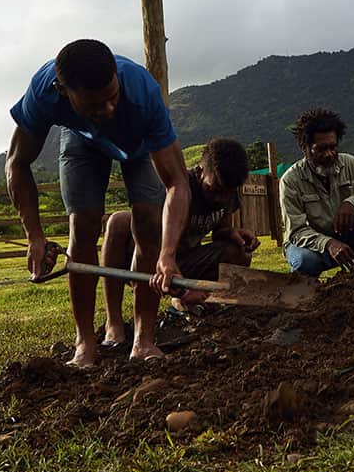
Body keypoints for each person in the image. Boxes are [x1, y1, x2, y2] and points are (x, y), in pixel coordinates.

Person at [6, 39, 190, 367]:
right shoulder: (43, 91)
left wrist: (168, 252)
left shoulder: (142, 92)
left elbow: (177, 181)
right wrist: (34, 236)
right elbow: (16, 163)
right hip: (82, 141)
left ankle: (144, 340)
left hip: (139, 146)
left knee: (148, 222)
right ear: (63, 91)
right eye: (95, 104)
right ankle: (86, 344)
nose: (107, 109)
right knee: (83, 226)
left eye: (112, 97)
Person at [99, 138, 259, 341]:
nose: (219, 198)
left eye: (226, 193)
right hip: (152, 262)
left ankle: (201, 301)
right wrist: (181, 289)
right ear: (200, 172)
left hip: (188, 261)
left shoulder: (227, 194)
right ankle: (113, 323)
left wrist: (231, 233)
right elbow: (150, 239)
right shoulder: (179, 188)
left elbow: (220, 230)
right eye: (214, 189)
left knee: (239, 251)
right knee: (118, 221)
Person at [279, 108, 354, 276]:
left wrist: (352, 203)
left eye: (333, 147)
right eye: (321, 149)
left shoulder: (350, 164)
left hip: (347, 237)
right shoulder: (291, 180)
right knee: (305, 261)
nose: (329, 154)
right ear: (306, 148)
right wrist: (328, 243)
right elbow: (296, 231)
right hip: (310, 245)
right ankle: (307, 294)